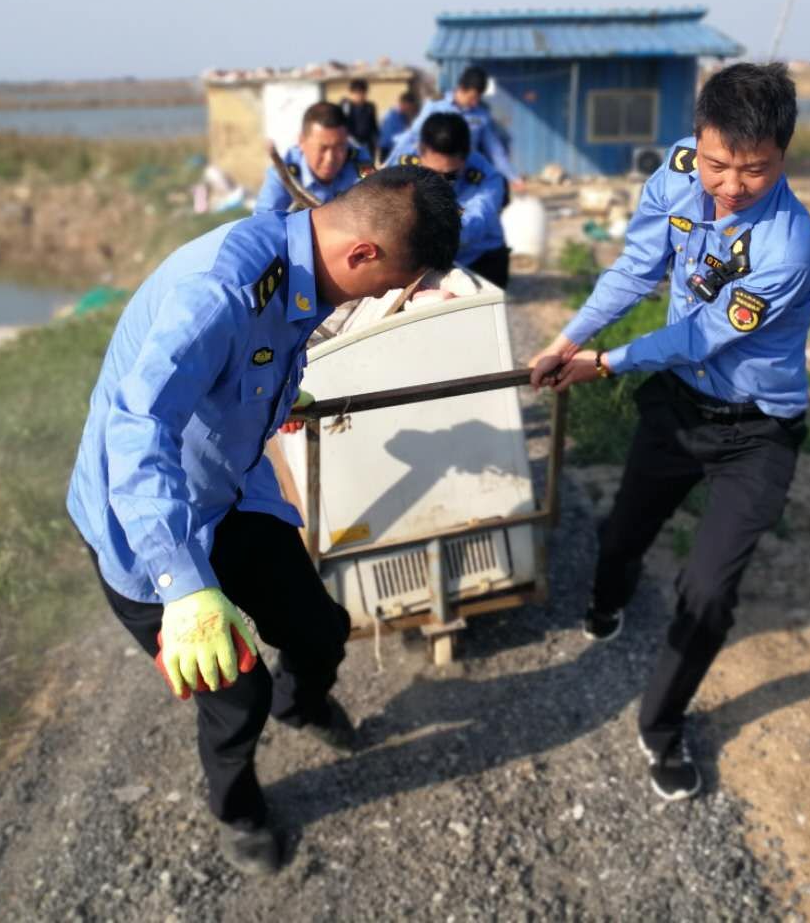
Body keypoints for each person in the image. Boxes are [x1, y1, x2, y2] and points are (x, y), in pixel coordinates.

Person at [67, 167, 461, 874]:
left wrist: (277, 398)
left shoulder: (301, 261)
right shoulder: (222, 288)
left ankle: (301, 704)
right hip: (151, 525)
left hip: (230, 490)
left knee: (320, 629)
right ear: (362, 254)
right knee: (233, 690)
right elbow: (136, 426)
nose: (383, 299)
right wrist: (185, 588)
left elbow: (247, 364)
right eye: (388, 285)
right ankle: (238, 810)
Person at [528, 63, 810, 802]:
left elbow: (699, 336)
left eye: (753, 171)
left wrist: (608, 362)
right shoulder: (677, 172)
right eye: (719, 163)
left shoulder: (788, 250)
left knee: (708, 592)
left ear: (783, 157)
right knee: (626, 527)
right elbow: (637, 267)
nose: (729, 185)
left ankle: (660, 727)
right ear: (698, 141)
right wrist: (571, 339)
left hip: (758, 431)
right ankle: (606, 598)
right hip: (681, 406)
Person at [398, 111, 511, 287]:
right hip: (424, 259)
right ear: (421, 151)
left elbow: (475, 221)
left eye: (450, 175)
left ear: (465, 158)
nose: (440, 183)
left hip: (479, 260)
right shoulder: (402, 161)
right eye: (431, 173)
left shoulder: (488, 179)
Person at [387, 66, 524, 191]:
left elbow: (495, 150)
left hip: (463, 174)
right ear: (461, 88)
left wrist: (513, 178)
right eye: (472, 97)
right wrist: (389, 164)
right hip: (433, 170)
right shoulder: (435, 106)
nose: (475, 102)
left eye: (478, 98)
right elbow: (412, 137)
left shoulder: (481, 115)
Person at [255, 102, 374, 214]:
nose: (330, 158)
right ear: (301, 141)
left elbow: (376, 207)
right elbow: (261, 227)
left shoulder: (360, 163)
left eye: (339, 147)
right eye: (322, 148)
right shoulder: (283, 174)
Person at [340, 78, 379, 158]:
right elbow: (342, 125)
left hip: (367, 145)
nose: (360, 96)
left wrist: (376, 141)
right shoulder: (346, 106)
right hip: (351, 145)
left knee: (367, 169)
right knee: (352, 167)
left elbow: (374, 126)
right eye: (356, 93)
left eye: (362, 93)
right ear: (351, 93)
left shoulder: (370, 107)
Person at [378, 89, 421, 163]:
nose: (410, 109)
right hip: (389, 149)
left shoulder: (395, 113)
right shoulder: (394, 116)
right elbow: (401, 137)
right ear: (405, 103)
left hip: (389, 149)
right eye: (410, 106)